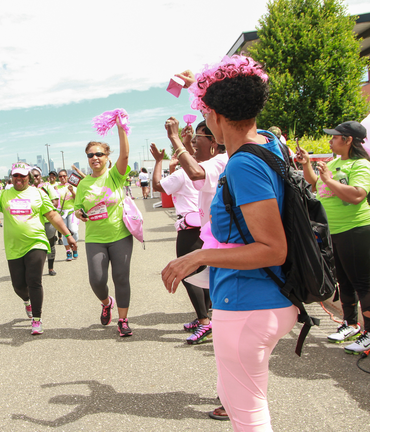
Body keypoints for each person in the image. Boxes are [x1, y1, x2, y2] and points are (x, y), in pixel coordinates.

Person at [161, 55, 296, 430]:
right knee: (246, 405)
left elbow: (273, 247)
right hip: (265, 300)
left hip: (246, 303)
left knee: (248, 418)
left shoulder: (243, 164)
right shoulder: (269, 144)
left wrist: (198, 256)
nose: (204, 120)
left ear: (217, 116)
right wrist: (199, 85)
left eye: (206, 113)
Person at [0, 161, 77, 335]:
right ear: (12, 177)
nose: (19, 178)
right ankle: (26, 300)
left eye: (22, 175)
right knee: (18, 286)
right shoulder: (4, 195)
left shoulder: (38, 193)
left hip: (36, 243)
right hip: (14, 247)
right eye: (15, 175)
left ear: (28, 177)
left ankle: (37, 319)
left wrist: (68, 235)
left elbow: (52, 215)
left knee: (34, 280)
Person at [296, 121, 370, 354]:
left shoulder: (361, 165)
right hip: (333, 232)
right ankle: (350, 324)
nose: (330, 140)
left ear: (349, 140)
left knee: (363, 284)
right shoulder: (335, 163)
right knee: (344, 282)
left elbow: (357, 196)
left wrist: (328, 180)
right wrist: (307, 164)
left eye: (335, 137)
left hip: (355, 230)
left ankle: (371, 333)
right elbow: (315, 185)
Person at [151, 122, 217, 345]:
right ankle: (205, 318)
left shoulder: (187, 173)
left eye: (199, 139)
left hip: (190, 228)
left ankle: (205, 322)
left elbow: (158, 186)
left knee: (188, 274)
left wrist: (159, 161)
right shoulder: (212, 165)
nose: (195, 145)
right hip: (207, 227)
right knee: (204, 273)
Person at [74, 114, 135, 337]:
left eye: (99, 154)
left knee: (121, 277)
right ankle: (106, 302)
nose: (95, 158)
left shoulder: (115, 176)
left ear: (107, 156)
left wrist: (121, 128)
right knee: (97, 280)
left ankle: (123, 320)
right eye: (91, 155)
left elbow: (125, 154)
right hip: (95, 238)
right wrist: (79, 212)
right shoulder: (83, 183)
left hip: (119, 235)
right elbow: (77, 206)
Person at [32, 167, 61, 275]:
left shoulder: (47, 187)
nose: (35, 177)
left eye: (37, 175)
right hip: (34, 222)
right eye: (32, 175)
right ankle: (36, 269)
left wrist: (40, 209)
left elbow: (55, 203)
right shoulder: (28, 189)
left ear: (40, 176)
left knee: (50, 244)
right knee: (35, 246)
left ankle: (50, 268)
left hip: (48, 221)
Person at [55, 169, 79, 259]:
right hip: (61, 212)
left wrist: (72, 191)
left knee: (74, 231)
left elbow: (77, 198)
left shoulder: (72, 186)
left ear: (67, 176)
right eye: (60, 176)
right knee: (65, 232)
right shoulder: (56, 187)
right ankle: (68, 252)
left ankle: (74, 247)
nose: (62, 178)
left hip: (71, 211)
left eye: (64, 176)